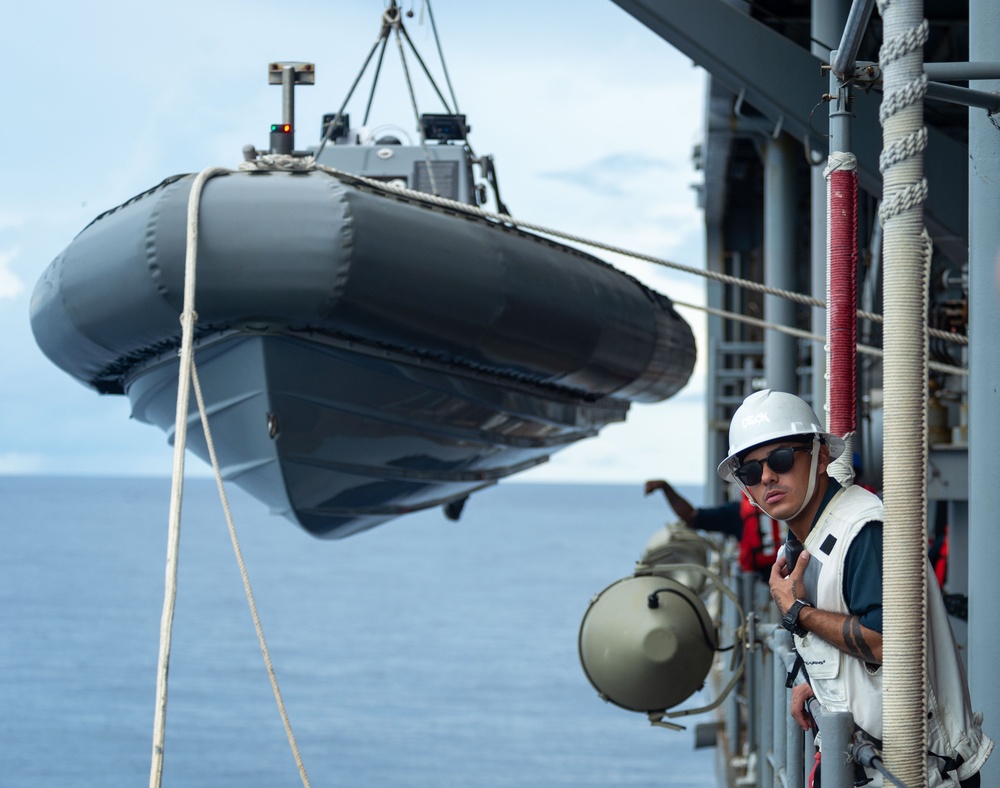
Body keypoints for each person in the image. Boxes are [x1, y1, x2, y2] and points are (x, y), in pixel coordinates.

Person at [718, 389, 992, 787]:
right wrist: (814, 685)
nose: (766, 477)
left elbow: (885, 642)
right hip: (868, 768)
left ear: (821, 456)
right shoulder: (807, 540)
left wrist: (796, 611)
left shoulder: (863, 530)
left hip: (922, 772)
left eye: (780, 459)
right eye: (750, 471)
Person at [643, 478, 782, 578]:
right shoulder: (737, 513)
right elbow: (693, 517)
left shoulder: (738, 512)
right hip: (776, 582)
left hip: (764, 585)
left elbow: (691, 517)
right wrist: (666, 488)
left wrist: (665, 488)